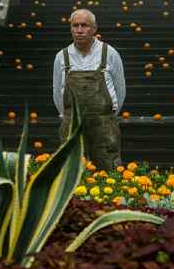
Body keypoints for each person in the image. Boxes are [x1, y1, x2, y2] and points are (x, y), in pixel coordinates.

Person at [52, 9, 126, 170]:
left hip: (104, 126)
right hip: (72, 126)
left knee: (108, 171)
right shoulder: (61, 57)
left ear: (94, 29)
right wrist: (68, 116)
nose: (79, 30)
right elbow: (57, 94)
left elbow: (121, 91)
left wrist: (107, 117)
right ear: (70, 28)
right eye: (75, 25)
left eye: (84, 25)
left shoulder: (110, 53)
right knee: (71, 171)